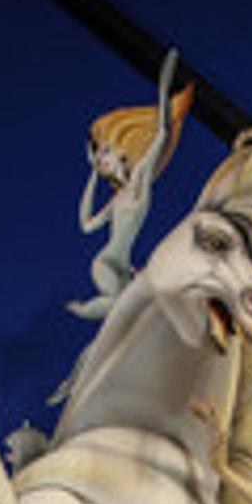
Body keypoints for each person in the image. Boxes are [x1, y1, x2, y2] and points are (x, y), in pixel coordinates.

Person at [67, 47, 194, 320]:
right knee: (119, 306)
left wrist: (163, 95)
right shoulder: (115, 201)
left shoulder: (141, 177)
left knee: (142, 314)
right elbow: (86, 225)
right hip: (106, 263)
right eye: (98, 159)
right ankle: (82, 310)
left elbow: (162, 133)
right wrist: (91, 175)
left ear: (121, 153)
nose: (102, 160)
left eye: (104, 153)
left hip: (125, 268)